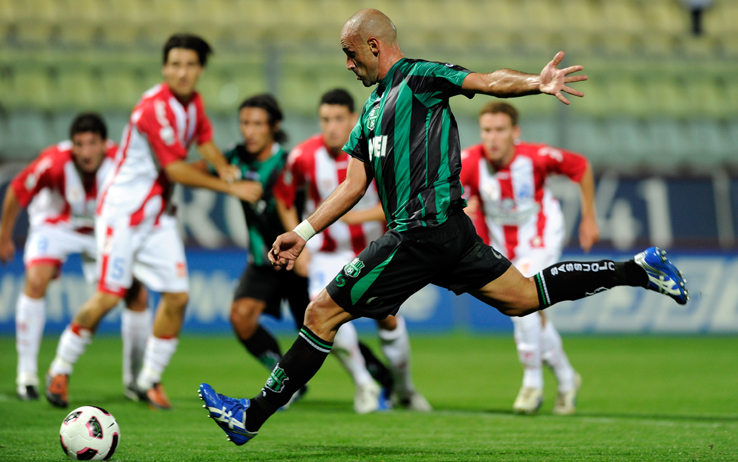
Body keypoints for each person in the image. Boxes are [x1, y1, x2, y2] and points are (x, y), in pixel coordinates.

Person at [199, 9, 688, 445]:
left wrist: (536, 84)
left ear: (374, 45)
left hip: (419, 232)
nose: (347, 64)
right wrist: (303, 232)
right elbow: (352, 188)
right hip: (448, 234)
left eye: (350, 53)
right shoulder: (368, 114)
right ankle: (638, 269)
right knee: (524, 298)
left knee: (320, 314)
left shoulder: (420, 77)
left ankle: (251, 416)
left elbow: (485, 81)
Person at [45, 33, 255, 410]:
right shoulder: (154, 108)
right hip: (123, 213)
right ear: (164, 67)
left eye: (190, 65)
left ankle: (148, 381)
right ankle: (60, 369)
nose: (182, 72)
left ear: (200, 70)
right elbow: (175, 170)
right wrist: (232, 189)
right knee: (109, 296)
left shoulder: (194, 103)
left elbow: (204, 138)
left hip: (156, 215)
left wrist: (224, 167)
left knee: (177, 297)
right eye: (175, 64)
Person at [219, 93, 396, 414]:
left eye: (257, 123)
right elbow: (185, 168)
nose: (250, 131)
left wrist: (304, 243)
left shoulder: (292, 160)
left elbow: (300, 203)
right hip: (268, 259)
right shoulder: (234, 158)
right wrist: (228, 184)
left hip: (306, 254)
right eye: (244, 123)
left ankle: (379, 376)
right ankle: (284, 380)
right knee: (242, 317)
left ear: (274, 127)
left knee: (330, 320)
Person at [274, 88, 430, 412]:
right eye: (325, 119)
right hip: (327, 253)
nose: (331, 126)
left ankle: (404, 389)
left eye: (338, 119)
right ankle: (364, 383)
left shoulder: (379, 150)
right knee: (321, 310)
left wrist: (360, 215)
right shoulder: (303, 156)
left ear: (352, 119)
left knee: (387, 320)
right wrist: (299, 244)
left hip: (374, 250)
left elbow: (404, 202)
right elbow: (284, 197)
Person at [0, 113, 150, 401]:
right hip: (57, 223)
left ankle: (136, 381)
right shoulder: (54, 162)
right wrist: (5, 235)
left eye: (92, 143)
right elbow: (18, 190)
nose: (85, 152)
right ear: (72, 146)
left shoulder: (122, 163)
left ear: (105, 145)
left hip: (101, 229)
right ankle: (27, 376)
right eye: (79, 144)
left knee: (136, 294)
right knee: (36, 280)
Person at [461, 102, 598, 415]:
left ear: (515, 133)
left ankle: (532, 383)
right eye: (486, 131)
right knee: (534, 313)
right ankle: (566, 379)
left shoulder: (536, 157)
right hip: (502, 247)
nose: (492, 138)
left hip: (541, 238)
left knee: (520, 304)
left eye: (499, 130)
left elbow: (580, 166)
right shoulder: (470, 162)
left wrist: (589, 217)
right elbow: (453, 196)